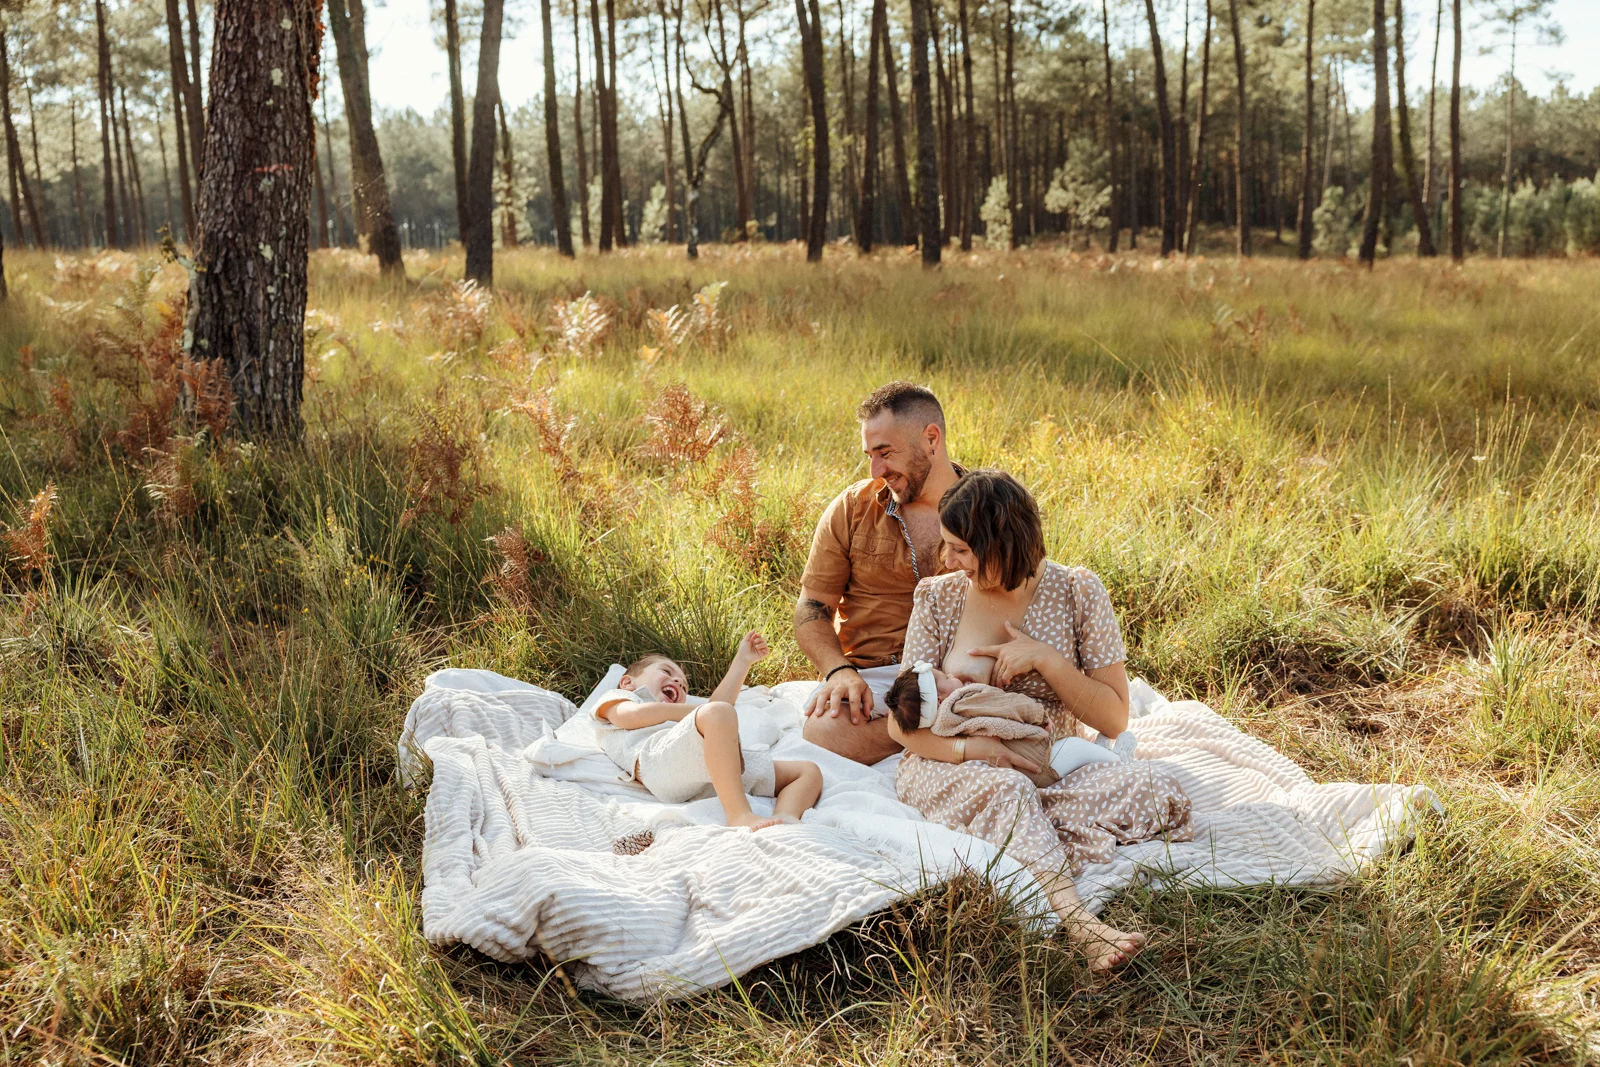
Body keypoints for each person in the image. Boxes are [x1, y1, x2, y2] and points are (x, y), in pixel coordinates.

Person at [886, 470, 1194, 971]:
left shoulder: (1077, 592)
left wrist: (1046, 660)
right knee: (1008, 791)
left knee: (1158, 787)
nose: (947, 560)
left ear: (1002, 544)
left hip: (1051, 765)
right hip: (954, 763)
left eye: (961, 549)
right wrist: (976, 750)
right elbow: (900, 724)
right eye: (946, 546)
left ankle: (1026, 832)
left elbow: (1115, 718)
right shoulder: (938, 598)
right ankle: (1079, 921)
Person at [795, 381, 966, 763]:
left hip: (957, 677)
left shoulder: (988, 506)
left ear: (931, 439)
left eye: (885, 453)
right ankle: (948, 734)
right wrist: (838, 671)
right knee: (821, 729)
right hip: (875, 678)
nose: (876, 470)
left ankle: (934, 730)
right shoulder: (851, 508)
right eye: (870, 455)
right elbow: (812, 607)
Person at [593, 633, 824, 831]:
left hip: (709, 772)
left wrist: (743, 660)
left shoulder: (682, 717)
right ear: (627, 682)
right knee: (718, 712)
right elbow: (630, 716)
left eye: (683, 686)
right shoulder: (622, 697)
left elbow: (718, 706)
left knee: (807, 771)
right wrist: (700, 711)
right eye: (666, 671)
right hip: (659, 763)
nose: (678, 682)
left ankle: (784, 817)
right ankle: (739, 814)